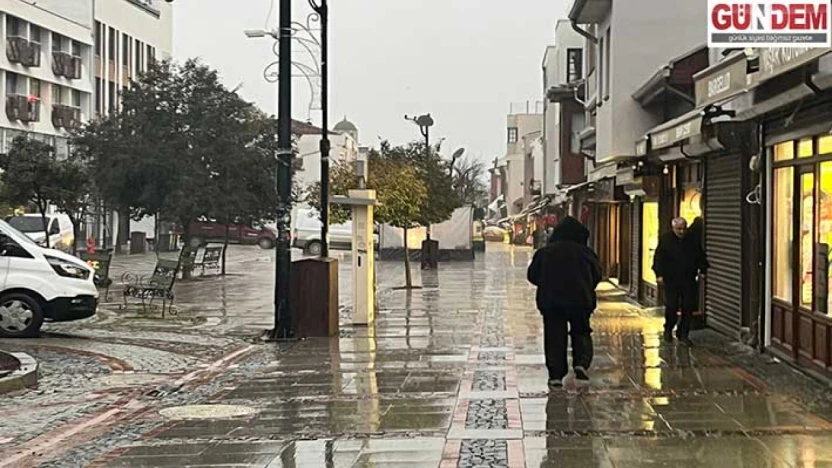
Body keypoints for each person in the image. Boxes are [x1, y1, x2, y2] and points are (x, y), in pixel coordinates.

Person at [527, 216, 602, 388]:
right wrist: (585, 285)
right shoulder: (586, 253)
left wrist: (546, 283)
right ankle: (581, 363)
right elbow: (597, 274)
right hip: (580, 299)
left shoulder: (545, 252)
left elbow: (532, 275)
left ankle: (556, 374)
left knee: (554, 336)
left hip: (552, 301)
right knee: (581, 331)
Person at [652, 217, 709, 346]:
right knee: (671, 305)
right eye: (679, 229)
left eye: (683, 228)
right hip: (671, 279)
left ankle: (683, 333)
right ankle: (668, 329)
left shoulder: (692, 239)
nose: (682, 231)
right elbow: (659, 257)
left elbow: (699, 254)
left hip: (688, 278)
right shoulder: (666, 239)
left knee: (688, 306)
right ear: (673, 228)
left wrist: (703, 270)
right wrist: (659, 274)